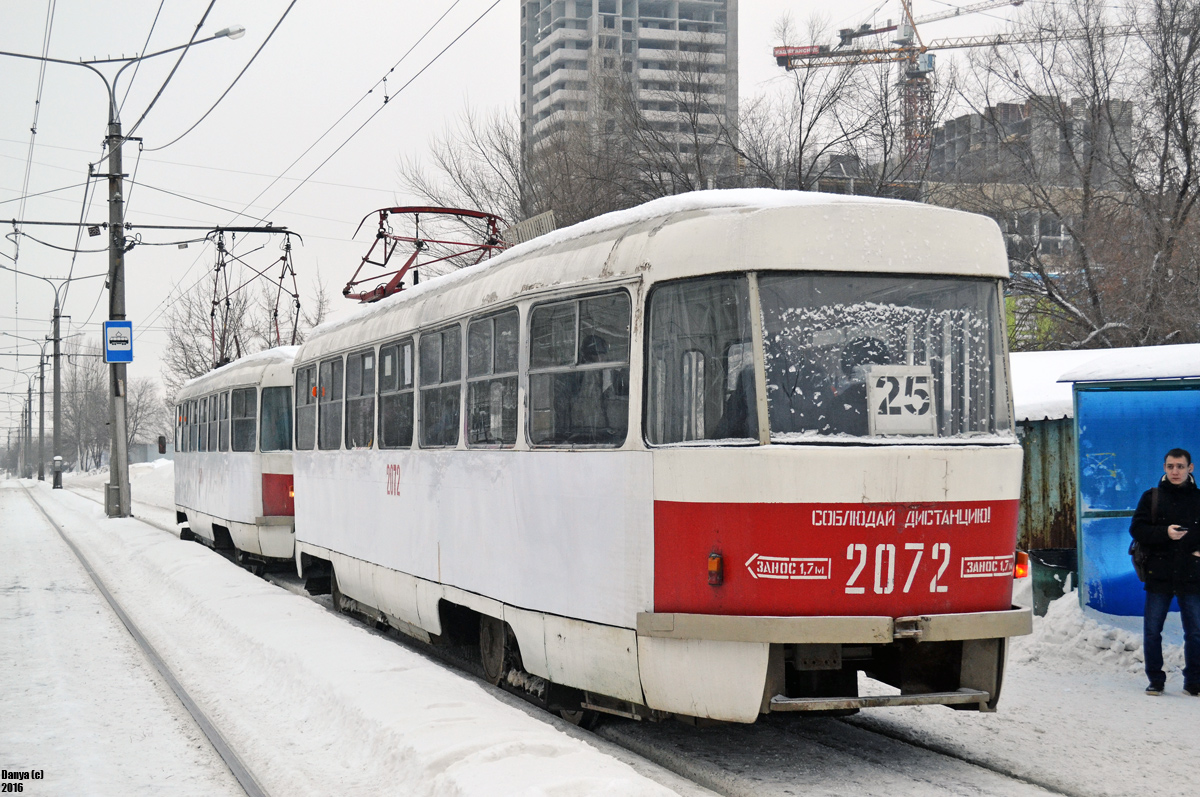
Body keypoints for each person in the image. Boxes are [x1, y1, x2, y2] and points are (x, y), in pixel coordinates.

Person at [1129, 448, 1200, 696]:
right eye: (1170, 466)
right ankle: (1156, 680)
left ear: (1190, 468)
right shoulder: (1152, 497)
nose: (1175, 471)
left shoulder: (1199, 498)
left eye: (1180, 466)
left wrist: (1194, 547)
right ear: (1164, 468)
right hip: (1159, 574)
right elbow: (1137, 529)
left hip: (1192, 575)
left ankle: (1194, 682)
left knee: (1196, 632)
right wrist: (1165, 533)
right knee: (1152, 630)